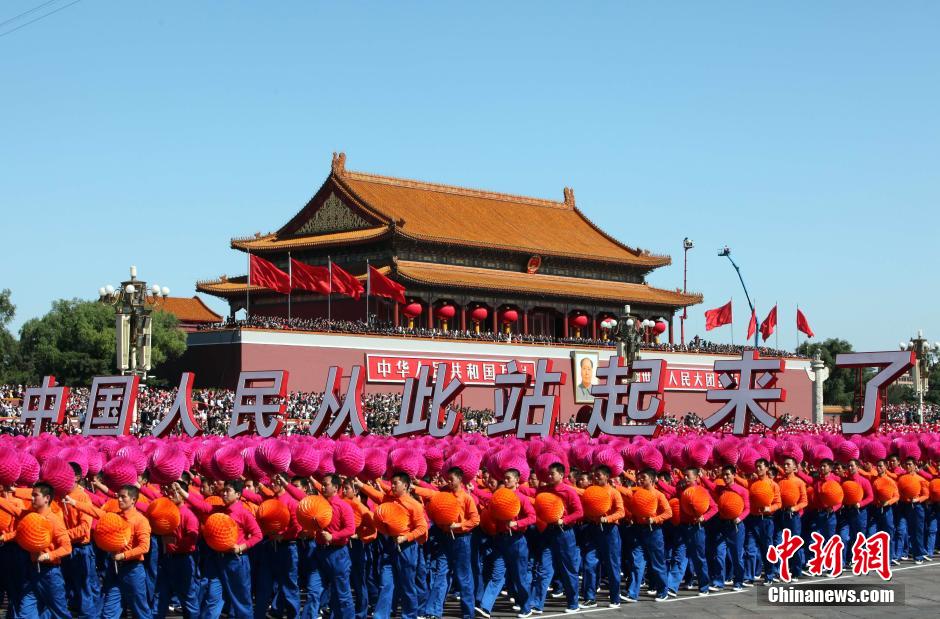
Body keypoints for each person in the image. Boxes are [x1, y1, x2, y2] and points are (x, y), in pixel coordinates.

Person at [66, 484, 152, 619]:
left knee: (140, 610)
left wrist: (123, 555)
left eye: (123, 497)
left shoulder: (141, 521)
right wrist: (74, 503)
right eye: (119, 497)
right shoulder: (115, 517)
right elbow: (96, 512)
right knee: (109, 611)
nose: (119, 500)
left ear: (133, 500)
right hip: (114, 569)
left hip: (133, 570)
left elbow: (144, 547)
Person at [180, 479, 261, 619]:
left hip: (236, 561)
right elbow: (201, 506)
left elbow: (258, 535)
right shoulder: (220, 509)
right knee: (213, 597)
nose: (224, 494)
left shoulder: (244, 513)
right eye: (223, 491)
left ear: (238, 494)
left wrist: (241, 547)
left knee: (241, 601)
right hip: (217, 560)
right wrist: (181, 492)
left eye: (228, 491)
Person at [476, 468, 536, 618]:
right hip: (500, 540)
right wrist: (474, 491)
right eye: (504, 478)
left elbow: (532, 517)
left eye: (509, 478)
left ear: (517, 480)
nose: (506, 481)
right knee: (497, 574)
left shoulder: (522, 498)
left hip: (516, 540)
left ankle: (526, 607)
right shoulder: (498, 497)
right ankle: (485, 607)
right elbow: (488, 501)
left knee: (519, 577)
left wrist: (517, 523)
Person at [8, 482, 72, 618]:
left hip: (50, 573)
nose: (32, 498)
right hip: (31, 570)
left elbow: (67, 548)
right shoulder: (31, 516)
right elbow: (18, 529)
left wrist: (47, 556)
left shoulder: (54, 520)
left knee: (59, 613)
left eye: (35, 495)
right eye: (32, 495)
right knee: (25, 612)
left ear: (47, 498)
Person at [255, 473, 302, 619]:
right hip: (270, 547)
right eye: (271, 481)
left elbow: (298, 526)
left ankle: (294, 616)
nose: (272, 484)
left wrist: (283, 535)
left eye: (276, 482)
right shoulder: (270, 500)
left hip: (287, 548)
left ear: (283, 483)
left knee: (289, 586)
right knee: (264, 585)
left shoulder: (291, 501)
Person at [541, 462, 584, 613]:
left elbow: (579, 512)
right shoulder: (545, 490)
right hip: (548, 531)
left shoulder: (569, 491)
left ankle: (573, 603)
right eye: (548, 473)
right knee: (544, 567)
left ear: (561, 475)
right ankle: (536, 604)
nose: (549, 476)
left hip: (564, 533)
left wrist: (564, 520)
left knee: (568, 568)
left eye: (552, 474)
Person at [154, 482, 201, 619]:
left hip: (183, 560)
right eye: (169, 492)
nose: (170, 495)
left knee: (188, 598)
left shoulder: (188, 515)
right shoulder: (167, 513)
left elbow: (192, 540)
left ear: (182, 494)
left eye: (174, 492)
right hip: (167, 560)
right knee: (160, 596)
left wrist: (175, 543)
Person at [581, 465, 625, 608]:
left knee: (612, 565)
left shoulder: (613, 492)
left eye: (598, 475)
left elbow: (621, 512)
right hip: (593, 530)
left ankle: (615, 597)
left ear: (607, 477)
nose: (595, 477)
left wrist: (608, 518)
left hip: (610, 531)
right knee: (589, 563)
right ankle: (590, 597)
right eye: (594, 475)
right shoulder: (590, 491)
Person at [313, 474, 356, 619]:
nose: (323, 487)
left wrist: (333, 536)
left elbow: (350, 529)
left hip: (337, 554)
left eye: (326, 485)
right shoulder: (318, 505)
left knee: (342, 594)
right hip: (319, 552)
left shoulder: (343, 506)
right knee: (314, 591)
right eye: (322, 484)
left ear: (336, 487)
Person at [59, 463, 98, 618]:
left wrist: (61, 535)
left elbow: (84, 529)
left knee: (84, 587)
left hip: (81, 549)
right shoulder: (59, 495)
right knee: (68, 586)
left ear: (76, 477)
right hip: (65, 548)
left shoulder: (82, 497)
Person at [627, 469, 671, 603]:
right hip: (638, 530)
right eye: (639, 478)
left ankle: (663, 591)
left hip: (654, 532)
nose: (640, 480)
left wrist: (655, 519)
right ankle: (632, 593)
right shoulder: (637, 494)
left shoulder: (658, 495)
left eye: (643, 478)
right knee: (637, 562)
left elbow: (668, 512)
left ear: (651, 479)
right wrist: (632, 517)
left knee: (657, 563)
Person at [776, 457, 808, 580]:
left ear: (795, 467)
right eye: (784, 464)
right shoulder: (780, 482)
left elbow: (804, 501)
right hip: (781, 514)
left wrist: (795, 508)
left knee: (794, 543)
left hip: (793, 516)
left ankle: (796, 571)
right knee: (781, 543)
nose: (785, 466)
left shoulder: (799, 482)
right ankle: (784, 569)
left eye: (788, 464)